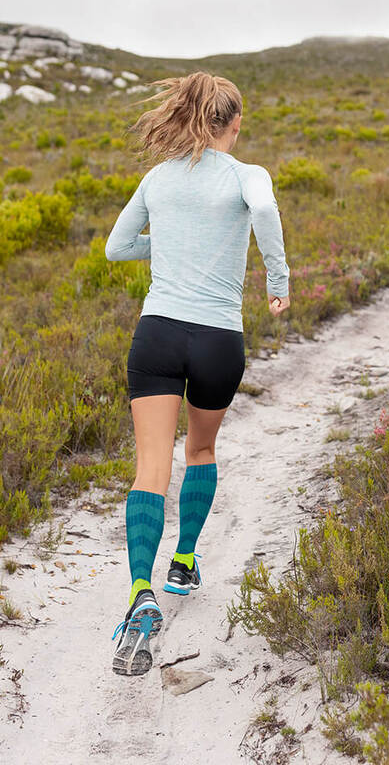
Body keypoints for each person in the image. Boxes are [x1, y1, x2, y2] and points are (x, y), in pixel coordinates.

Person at [105, 71, 290, 676]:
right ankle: (183, 559)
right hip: (217, 339)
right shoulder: (247, 176)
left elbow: (117, 246)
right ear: (234, 124)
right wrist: (279, 282)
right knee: (201, 447)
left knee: (149, 467)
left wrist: (172, 242)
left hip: (156, 334)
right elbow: (262, 209)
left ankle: (140, 593)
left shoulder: (158, 178)